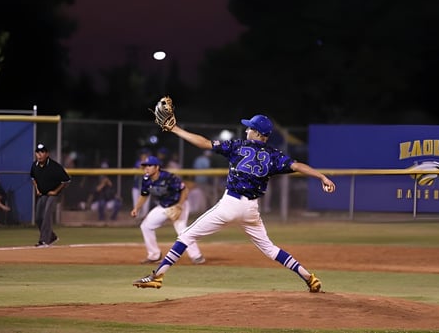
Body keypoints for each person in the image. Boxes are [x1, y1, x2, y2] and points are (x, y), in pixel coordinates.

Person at [132, 114, 336, 292]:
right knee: (270, 249)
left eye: (250, 127)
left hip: (230, 203)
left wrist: (175, 128)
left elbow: (204, 143)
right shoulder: (274, 155)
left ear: (256, 133)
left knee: (186, 235)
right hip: (251, 209)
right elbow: (298, 165)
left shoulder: (238, 146)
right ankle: (309, 278)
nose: (247, 130)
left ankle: (157, 276)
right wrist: (322, 177)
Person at [131, 155, 205, 265]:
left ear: (157, 167)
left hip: (179, 203)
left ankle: (197, 256)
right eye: (145, 166)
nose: (146, 168)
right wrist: (136, 208)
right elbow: (144, 195)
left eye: (149, 165)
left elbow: (184, 190)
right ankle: (154, 255)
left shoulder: (168, 177)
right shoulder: (146, 179)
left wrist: (179, 206)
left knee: (182, 229)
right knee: (146, 226)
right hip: (164, 206)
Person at [30, 143, 71, 247]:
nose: (39, 155)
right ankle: (51, 237)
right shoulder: (35, 166)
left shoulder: (54, 166)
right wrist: (37, 189)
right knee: (39, 217)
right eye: (37, 152)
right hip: (43, 194)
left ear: (47, 154)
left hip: (54, 194)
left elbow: (66, 180)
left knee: (47, 214)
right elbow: (33, 178)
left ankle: (44, 240)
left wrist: (56, 191)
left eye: (42, 152)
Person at [132, 148, 152, 219]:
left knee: (145, 207)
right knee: (136, 205)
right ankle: (137, 220)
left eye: (145, 155)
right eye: (142, 155)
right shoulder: (137, 162)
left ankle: (144, 220)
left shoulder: (151, 164)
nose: (143, 156)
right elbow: (139, 167)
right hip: (137, 187)